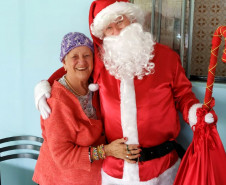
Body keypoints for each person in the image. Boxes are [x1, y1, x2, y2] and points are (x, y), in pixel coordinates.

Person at [34, 1, 216, 185]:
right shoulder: (101, 60)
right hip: (116, 172)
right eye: (109, 28)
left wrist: (195, 113)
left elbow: (183, 95)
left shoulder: (167, 57)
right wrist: (44, 86)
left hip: (162, 167)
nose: (116, 31)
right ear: (103, 34)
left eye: (120, 21)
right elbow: (74, 69)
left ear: (132, 19)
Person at [33, 32, 140, 185]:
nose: (82, 61)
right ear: (64, 63)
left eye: (87, 55)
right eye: (74, 56)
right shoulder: (57, 102)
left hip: (90, 176)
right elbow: (63, 156)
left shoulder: (94, 86)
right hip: (60, 179)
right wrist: (108, 150)